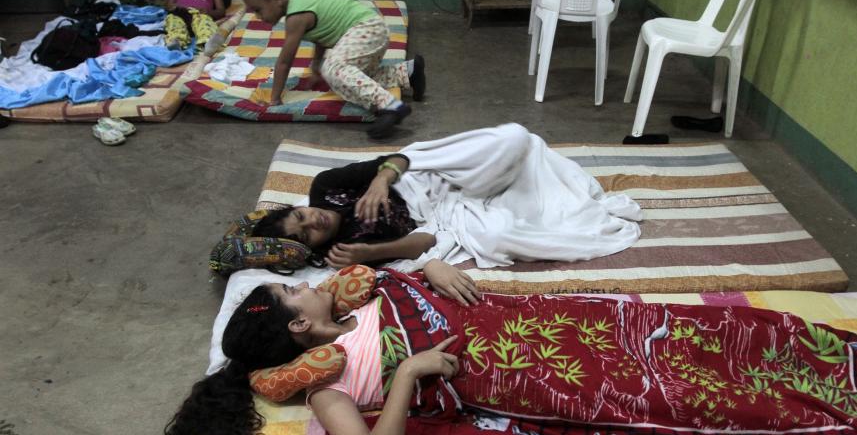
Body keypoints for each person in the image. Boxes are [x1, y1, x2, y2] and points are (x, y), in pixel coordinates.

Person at [165, 265, 857, 435]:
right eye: (290, 293)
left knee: (681, 328)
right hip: (515, 372)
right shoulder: (328, 389)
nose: (304, 285)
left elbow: (415, 270)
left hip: (526, 318)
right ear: (296, 329)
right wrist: (407, 372)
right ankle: (847, 404)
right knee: (666, 386)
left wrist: (428, 270)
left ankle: (834, 356)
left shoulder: (360, 295)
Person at [251, 123, 644, 272]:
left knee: (513, 140)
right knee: (501, 238)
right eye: (305, 235)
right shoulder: (346, 252)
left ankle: (509, 166)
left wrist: (379, 182)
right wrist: (367, 255)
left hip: (428, 176)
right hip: (444, 213)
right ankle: (519, 190)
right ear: (310, 249)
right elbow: (427, 242)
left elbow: (402, 158)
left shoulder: (325, 186)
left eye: (300, 217)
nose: (312, 222)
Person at [240, 0, 425, 139]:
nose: (258, 17)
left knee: (334, 68)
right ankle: (407, 72)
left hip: (366, 29)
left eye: (258, 9)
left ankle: (389, 105)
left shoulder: (296, 17)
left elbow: (284, 63)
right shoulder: (300, 1)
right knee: (351, 80)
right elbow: (322, 37)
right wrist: (315, 69)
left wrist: (273, 100)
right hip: (373, 30)